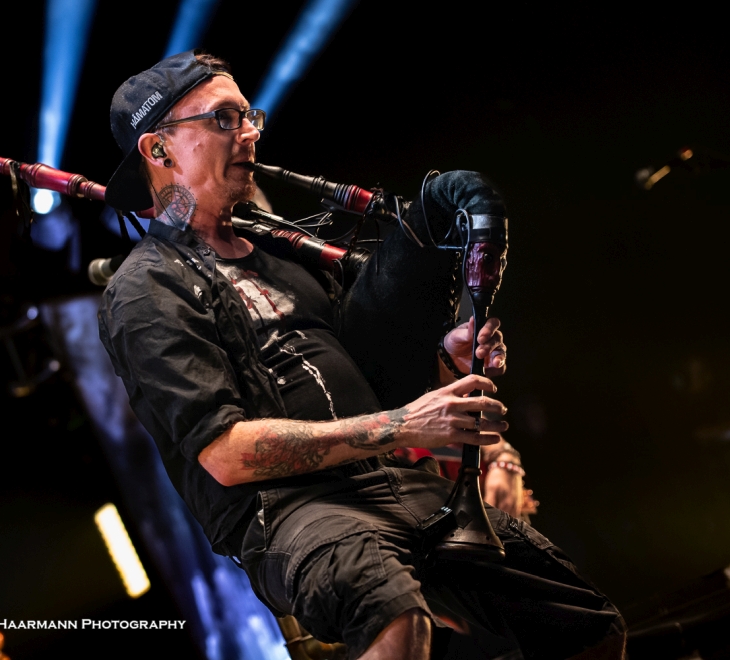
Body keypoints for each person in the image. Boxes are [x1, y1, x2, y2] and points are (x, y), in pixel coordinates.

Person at [98, 50, 625, 659]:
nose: (248, 133)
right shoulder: (145, 289)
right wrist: (402, 425)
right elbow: (226, 454)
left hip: (393, 481)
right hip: (291, 512)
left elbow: (372, 382)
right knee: (395, 621)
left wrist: (445, 361)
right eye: (223, 119)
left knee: (591, 626)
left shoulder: (287, 254)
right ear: (158, 148)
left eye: (248, 117)